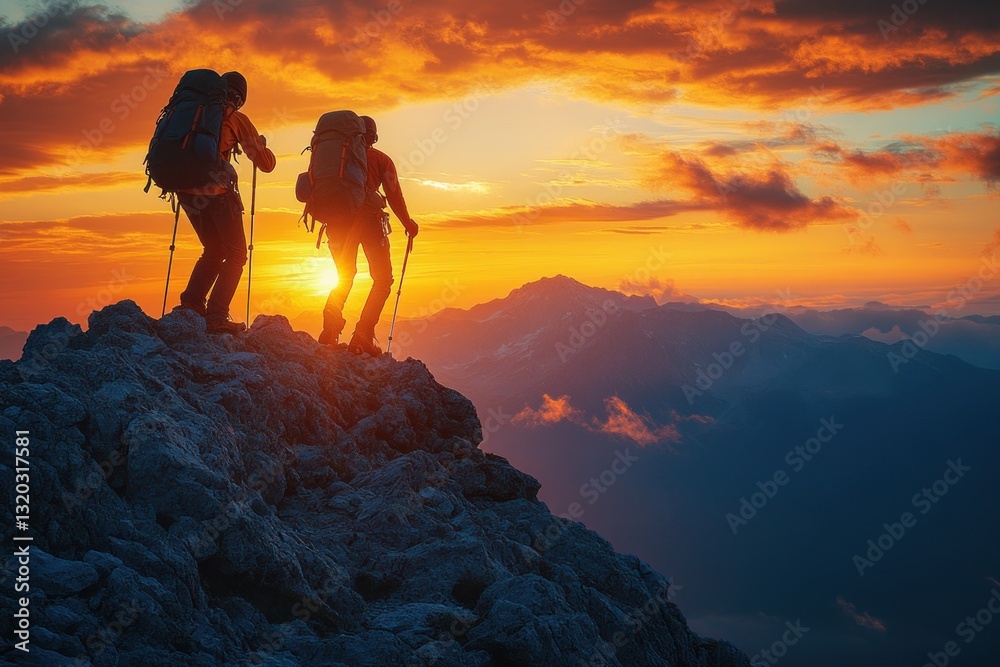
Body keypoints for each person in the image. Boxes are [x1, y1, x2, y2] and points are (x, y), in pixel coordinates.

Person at [175, 71, 276, 334]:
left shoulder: (189, 113)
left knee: (213, 249)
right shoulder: (235, 118)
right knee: (236, 254)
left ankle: (191, 305)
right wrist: (264, 147)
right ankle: (216, 316)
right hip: (217, 192)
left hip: (184, 190)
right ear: (240, 97)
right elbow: (264, 164)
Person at [319, 116, 419, 355]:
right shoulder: (380, 159)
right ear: (372, 137)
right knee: (383, 280)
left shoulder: (336, 162)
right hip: (370, 223)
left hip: (336, 223)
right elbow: (394, 194)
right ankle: (363, 335)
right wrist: (408, 223)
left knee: (345, 275)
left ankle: (329, 329)